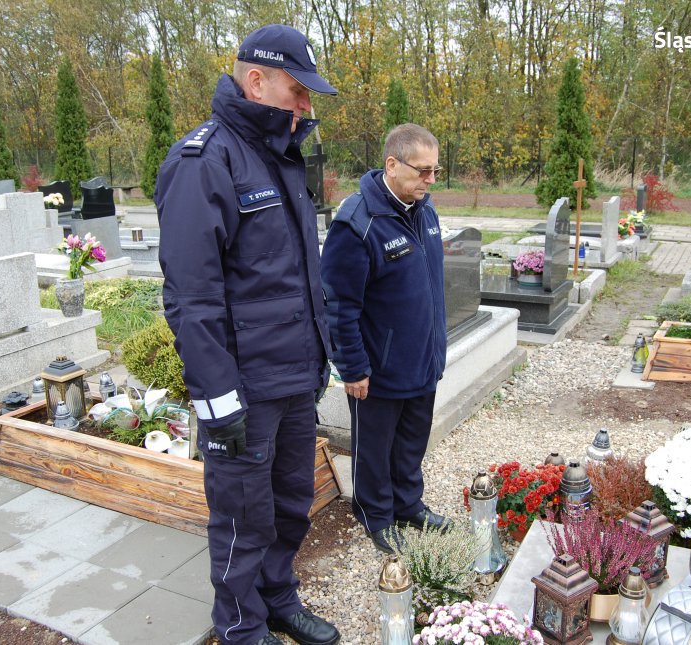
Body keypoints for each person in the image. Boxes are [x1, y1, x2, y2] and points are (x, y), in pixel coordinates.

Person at [155, 24, 340, 645]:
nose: (306, 105)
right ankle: (240, 626)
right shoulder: (203, 162)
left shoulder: (278, 154)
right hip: (244, 389)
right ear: (255, 81)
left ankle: (278, 599)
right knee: (242, 518)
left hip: (293, 378)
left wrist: (319, 360)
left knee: (290, 503)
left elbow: (294, 275)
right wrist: (218, 400)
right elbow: (192, 299)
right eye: (298, 90)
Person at [320, 123, 451, 554]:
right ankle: (376, 514)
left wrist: (436, 349)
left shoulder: (424, 210)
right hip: (378, 368)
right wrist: (353, 367)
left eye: (435, 170)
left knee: (412, 441)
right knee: (375, 449)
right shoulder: (358, 223)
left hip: (423, 359)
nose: (431, 180)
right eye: (423, 171)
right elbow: (340, 304)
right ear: (392, 164)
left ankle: (408, 504)